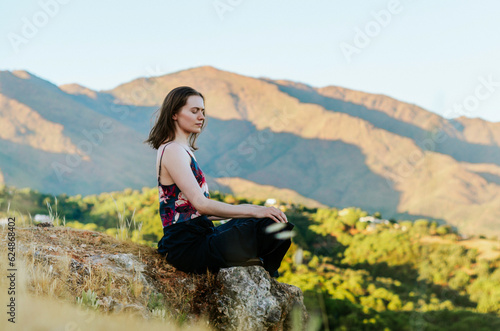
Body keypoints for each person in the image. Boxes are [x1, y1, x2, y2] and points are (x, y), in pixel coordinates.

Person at [144, 86, 295, 278]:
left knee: (273, 222)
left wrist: (255, 213)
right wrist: (255, 209)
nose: (201, 117)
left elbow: (198, 213)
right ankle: (258, 268)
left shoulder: (182, 149)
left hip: (203, 233)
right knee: (264, 222)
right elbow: (202, 205)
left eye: (203, 111)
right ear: (174, 114)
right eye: (194, 111)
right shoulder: (172, 150)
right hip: (187, 246)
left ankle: (256, 265)